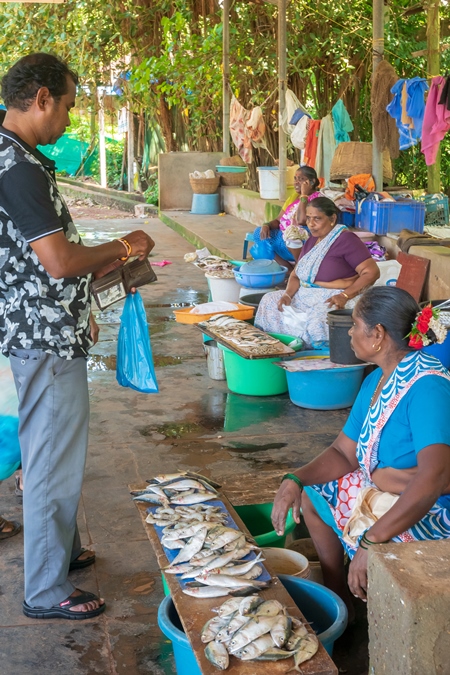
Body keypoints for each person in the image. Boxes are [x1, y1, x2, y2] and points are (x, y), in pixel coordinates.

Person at [0, 53, 154, 619]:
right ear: (40, 97)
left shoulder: (18, 156)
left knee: (55, 449)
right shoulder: (13, 166)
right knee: (50, 460)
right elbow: (60, 260)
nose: (68, 117)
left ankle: (59, 552)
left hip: (45, 325)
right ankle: (45, 589)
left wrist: (81, 303)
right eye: (65, 104)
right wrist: (124, 247)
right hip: (42, 334)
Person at [271, 286, 450, 620]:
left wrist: (372, 541)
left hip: (431, 511)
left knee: (378, 551)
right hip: (388, 488)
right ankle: (341, 598)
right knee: (313, 494)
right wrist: (294, 478)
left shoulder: (428, 386)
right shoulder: (377, 380)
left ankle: (377, 609)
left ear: (378, 334)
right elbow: (343, 451)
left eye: (355, 324)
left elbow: (434, 478)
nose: (350, 332)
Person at [255, 197, 380, 347]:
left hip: (333, 297)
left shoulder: (346, 239)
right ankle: (276, 347)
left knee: (319, 317)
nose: (311, 224)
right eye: (308, 218)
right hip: (305, 294)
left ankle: (312, 354)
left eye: (317, 219)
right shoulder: (312, 240)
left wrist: (344, 296)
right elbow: (295, 275)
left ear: (332, 218)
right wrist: (287, 295)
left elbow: (371, 272)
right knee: (269, 300)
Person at [252, 166, 322, 266]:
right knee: (259, 233)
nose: (296, 182)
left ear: (312, 182)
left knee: (289, 237)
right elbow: (278, 220)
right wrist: (266, 225)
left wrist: (304, 195)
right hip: (283, 234)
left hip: (301, 237)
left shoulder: (318, 199)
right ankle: (288, 269)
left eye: (301, 179)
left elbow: (301, 220)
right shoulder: (293, 197)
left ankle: (297, 269)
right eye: (295, 178)